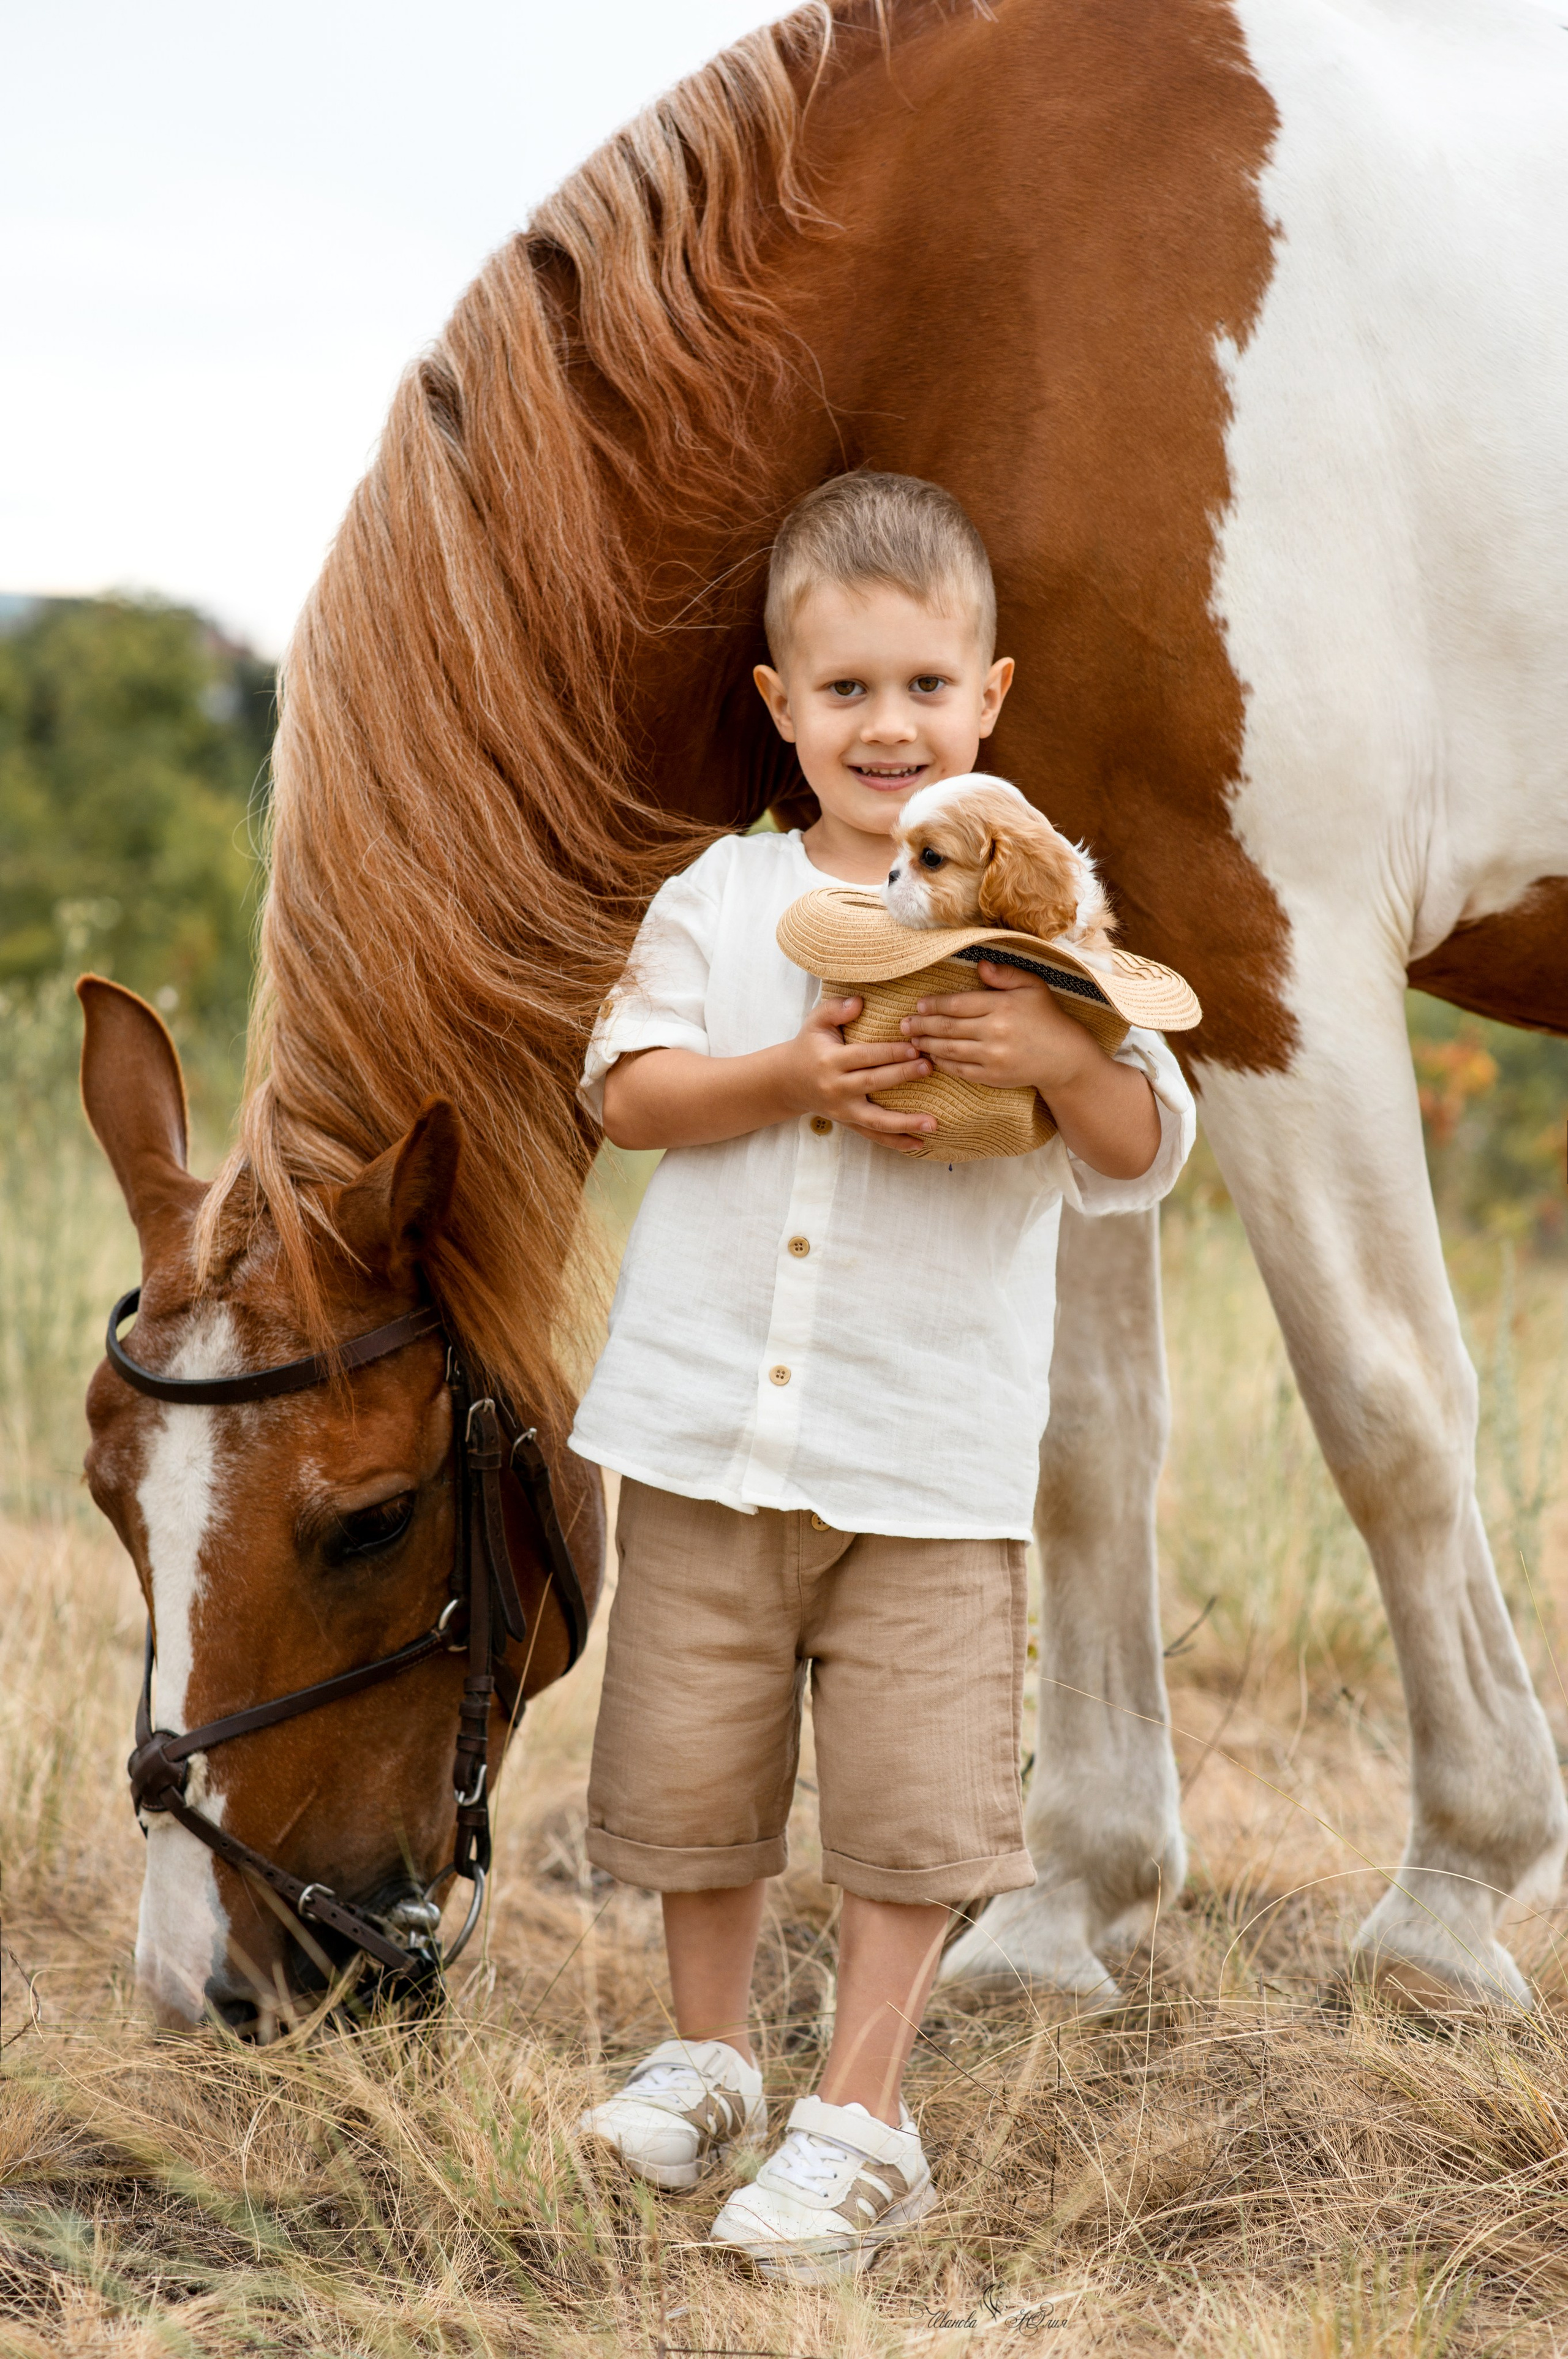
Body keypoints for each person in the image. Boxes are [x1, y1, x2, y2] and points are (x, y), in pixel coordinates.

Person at [568, 472, 1194, 2280]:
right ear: (780, 706)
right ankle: (706, 2056)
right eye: (844, 690)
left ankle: (863, 2113)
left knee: (916, 1803)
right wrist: (788, 1081)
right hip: (706, 1431)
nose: (888, 724)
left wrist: (1059, 1049)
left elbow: (1146, 1145)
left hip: (928, 1456)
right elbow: (628, 1092)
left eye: (926, 685)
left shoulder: (1051, 928)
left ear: (990, 695)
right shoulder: (731, 890)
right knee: (697, 1766)